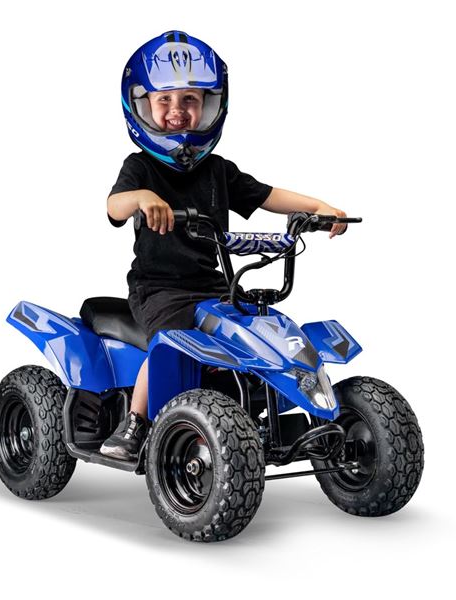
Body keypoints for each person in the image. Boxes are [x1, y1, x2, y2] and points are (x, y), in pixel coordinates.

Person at [100, 31, 347, 460]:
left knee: (259, 327)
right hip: (158, 288)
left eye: (190, 99)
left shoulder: (217, 170)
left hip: (213, 285)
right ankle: (135, 424)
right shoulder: (139, 167)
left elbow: (268, 195)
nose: (177, 110)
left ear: (211, 105)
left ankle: (261, 411)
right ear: (141, 104)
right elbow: (114, 206)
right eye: (164, 100)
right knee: (170, 339)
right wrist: (141, 197)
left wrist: (317, 207)